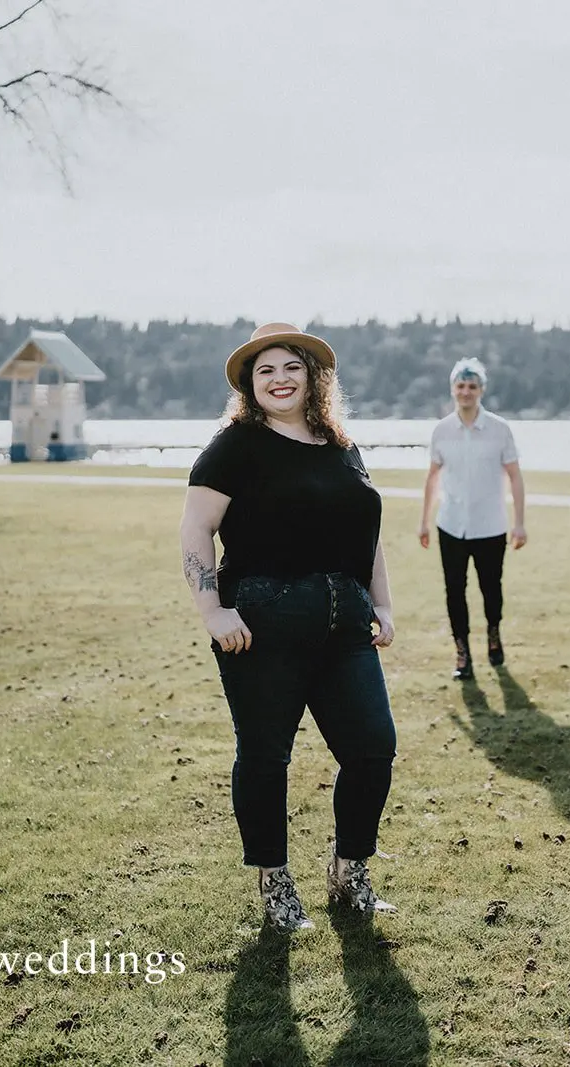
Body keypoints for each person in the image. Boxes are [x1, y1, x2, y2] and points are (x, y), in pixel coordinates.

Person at [180, 321, 399, 933]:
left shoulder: (341, 447)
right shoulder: (236, 445)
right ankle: (275, 884)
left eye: (290, 367)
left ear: (313, 376)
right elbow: (196, 528)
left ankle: (349, 871)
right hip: (260, 623)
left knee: (372, 748)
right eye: (265, 370)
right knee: (266, 755)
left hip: (345, 622)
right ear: (251, 384)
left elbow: (367, 536)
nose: (279, 379)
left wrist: (382, 606)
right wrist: (212, 612)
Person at [418, 358, 526, 680]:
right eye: (461, 386)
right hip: (451, 524)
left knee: (491, 589)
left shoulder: (499, 430)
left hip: (490, 526)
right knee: (455, 591)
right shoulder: (442, 430)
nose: (466, 392)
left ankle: (493, 634)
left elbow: (516, 477)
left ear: (481, 390)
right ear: (453, 389)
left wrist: (519, 522)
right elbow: (433, 477)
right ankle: (462, 653)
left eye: (472, 386)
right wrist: (424, 520)